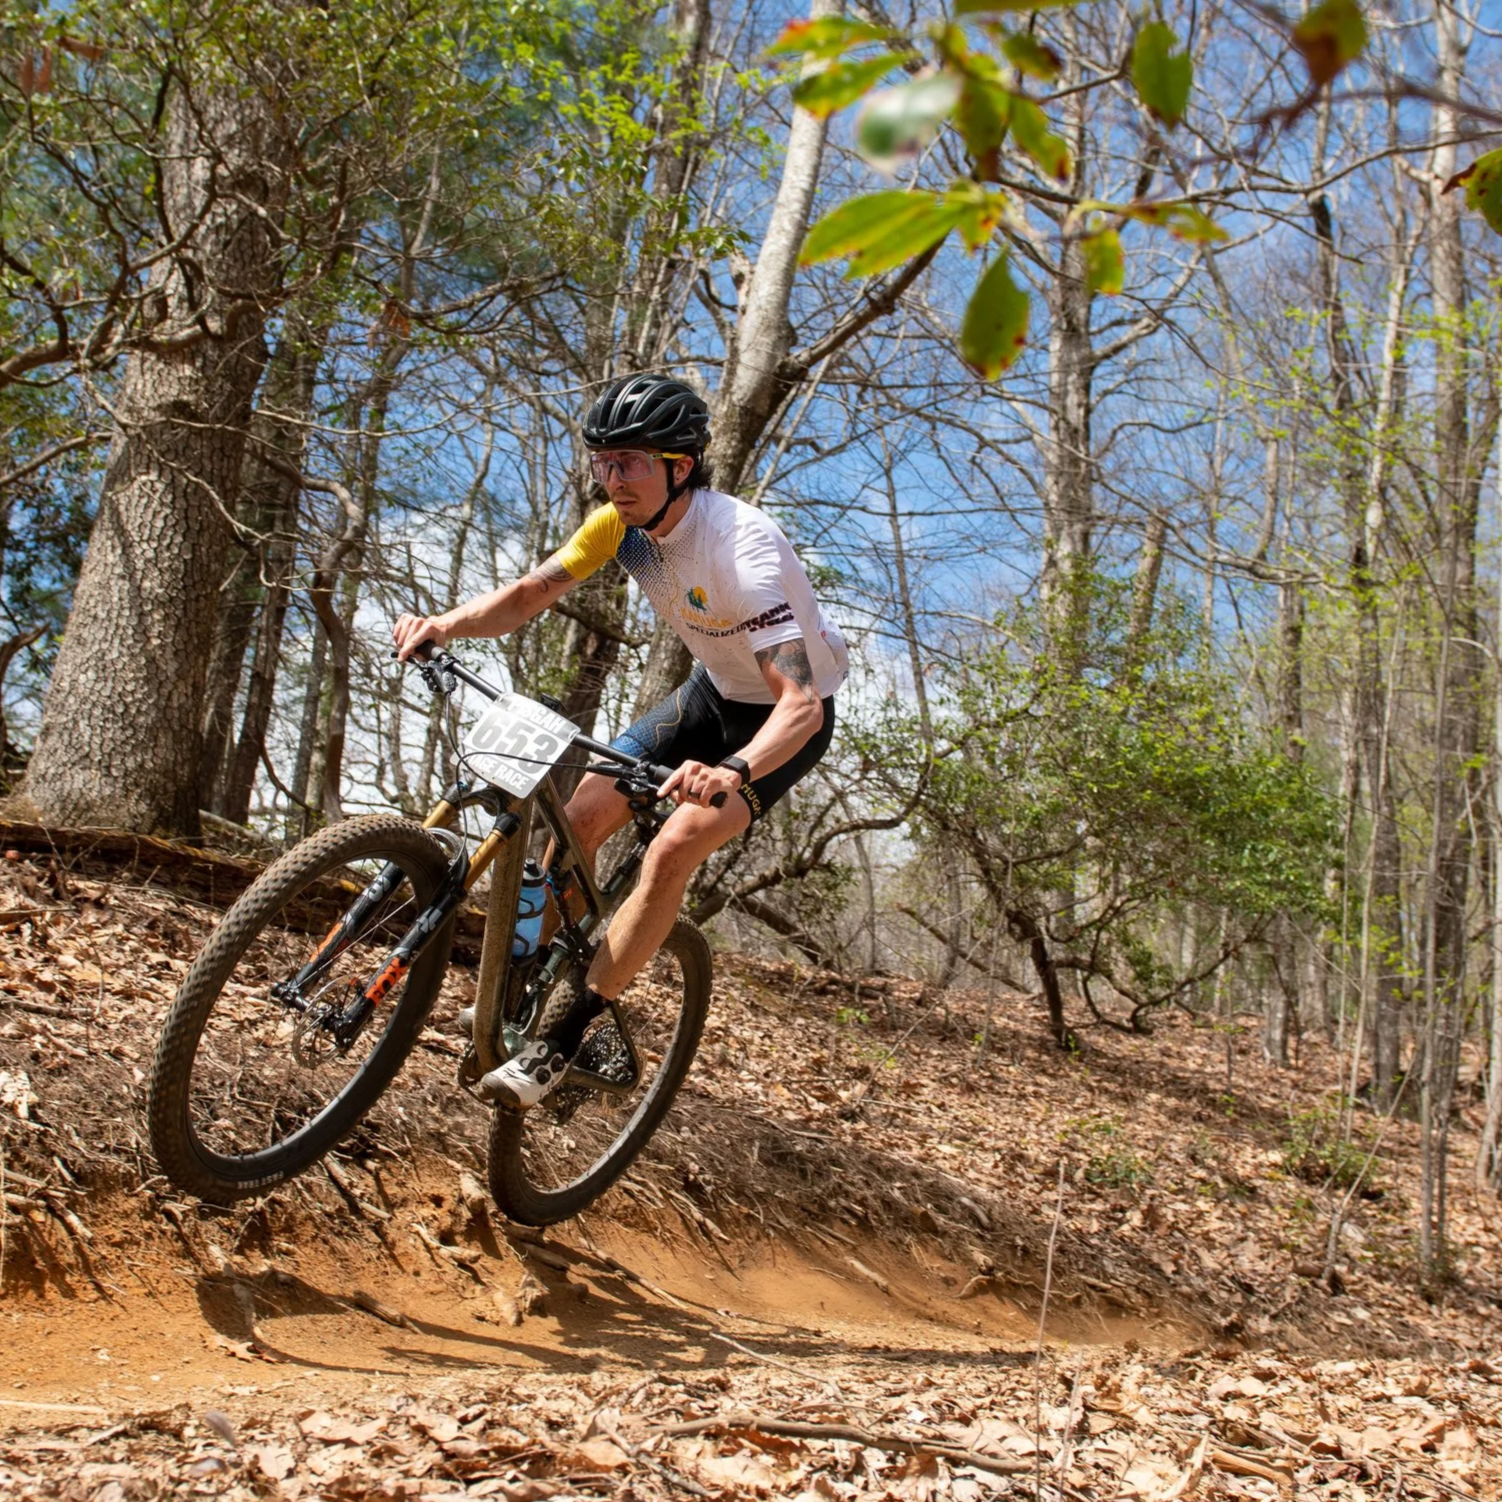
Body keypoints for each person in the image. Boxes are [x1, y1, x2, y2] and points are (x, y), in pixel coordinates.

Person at [393, 372, 848, 1108]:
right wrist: (444, 623)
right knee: (575, 822)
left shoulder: (741, 551)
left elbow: (800, 706)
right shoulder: (622, 527)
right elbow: (528, 596)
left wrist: (731, 769)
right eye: (602, 462)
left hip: (777, 725)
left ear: (681, 466)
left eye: (629, 462)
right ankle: (518, 996)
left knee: (672, 848)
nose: (612, 478)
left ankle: (568, 1035)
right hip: (708, 693)